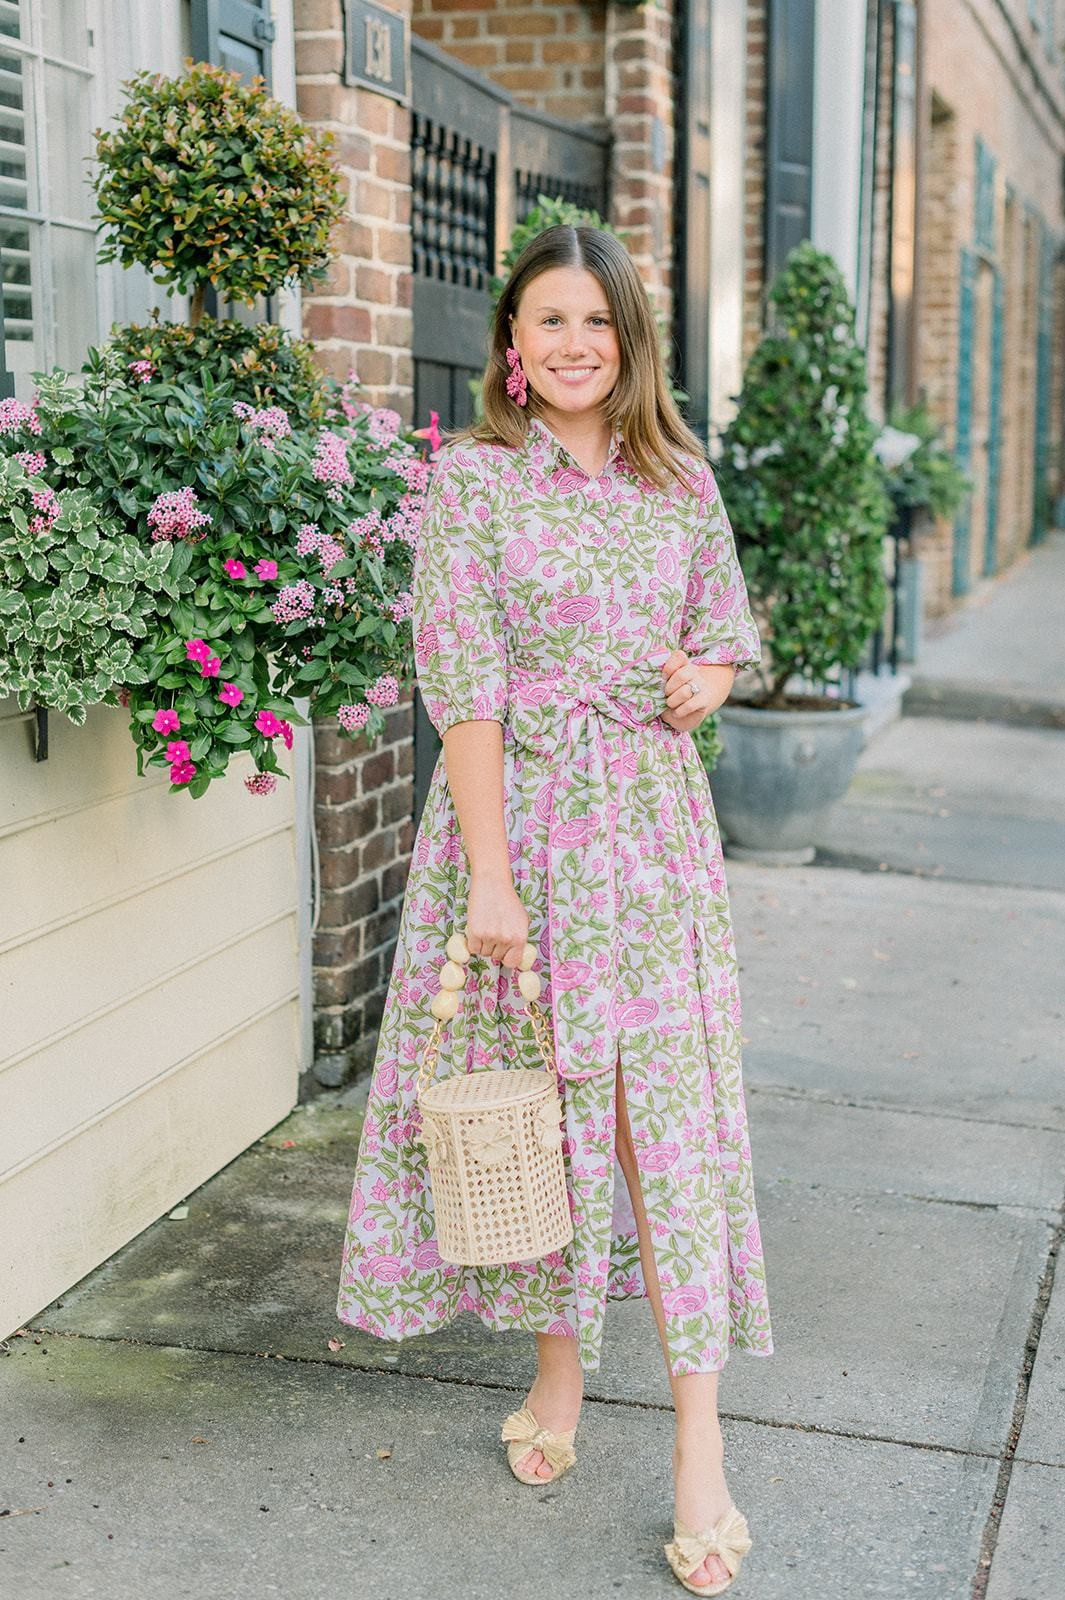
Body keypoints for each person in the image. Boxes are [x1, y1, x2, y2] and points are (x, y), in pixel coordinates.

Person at [337, 223, 773, 1597]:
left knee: (663, 1130)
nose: (574, 342)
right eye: (548, 321)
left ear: (627, 337)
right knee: (533, 1110)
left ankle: (698, 1447)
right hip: (512, 828)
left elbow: (722, 636)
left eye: (597, 319)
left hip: (647, 844)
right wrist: (491, 881)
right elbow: (460, 685)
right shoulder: (468, 483)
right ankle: (557, 1373)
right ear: (510, 347)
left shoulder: (678, 477)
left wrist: (707, 680)